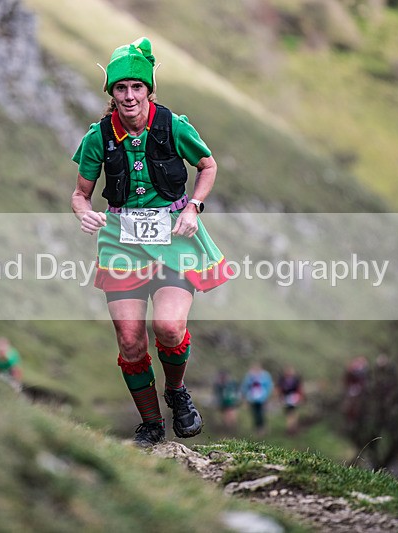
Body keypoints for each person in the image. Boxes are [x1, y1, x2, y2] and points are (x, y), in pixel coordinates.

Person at [71, 37, 230, 447]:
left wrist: (194, 207)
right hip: (121, 242)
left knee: (169, 327)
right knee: (129, 340)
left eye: (136, 87)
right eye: (121, 88)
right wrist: (84, 212)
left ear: (148, 90)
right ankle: (151, 424)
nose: (129, 96)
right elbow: (80, 194)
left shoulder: (173, 126)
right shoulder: (98, 137)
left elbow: (208, 166)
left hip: (174, 237)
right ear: (111, 93)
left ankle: (176, 391)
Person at [241, 362, 274, 436]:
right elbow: (245, 387)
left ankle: (262, 428)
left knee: (261, 413)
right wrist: (245, 398)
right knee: (254, 413)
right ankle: (257, 428)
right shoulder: (249, 376)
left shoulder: (265, 376)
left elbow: (269, 386)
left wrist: (267, 397)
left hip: (262, 399)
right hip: (252, 399)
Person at [276, 366, 304, 435]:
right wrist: (280, 397)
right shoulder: (282, 380)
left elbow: (299, 389)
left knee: (293, 412)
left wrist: (300, 397)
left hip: (294, 398)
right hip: (286, 398)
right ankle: (290, 427)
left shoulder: (296, 379)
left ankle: (293, 426)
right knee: (288, 413)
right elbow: (279, 389)